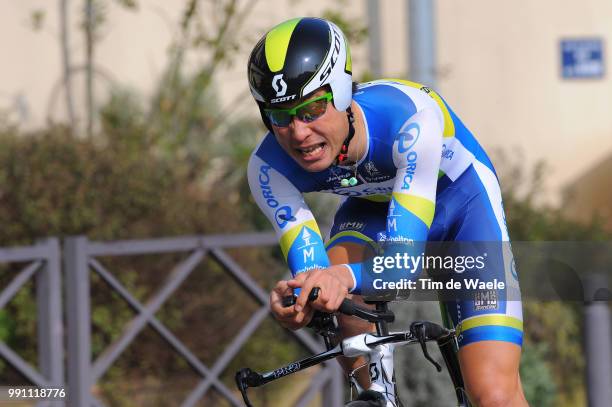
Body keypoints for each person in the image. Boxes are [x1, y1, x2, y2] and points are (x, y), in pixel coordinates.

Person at [246, 17, 527, 406]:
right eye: (279, 116)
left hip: (462, 209)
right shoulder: (268, 168)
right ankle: (376, 396)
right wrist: (301, 300)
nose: (298, 133)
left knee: (494, 394)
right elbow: (315, 277)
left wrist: (337, 278)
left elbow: (400, 268)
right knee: (333, 287)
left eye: (312, 109)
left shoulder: (410, 120)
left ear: (343, 94)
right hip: (375, 213)